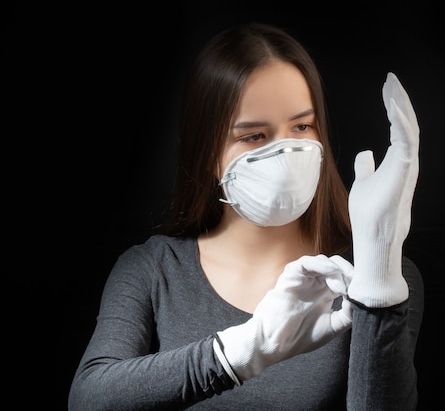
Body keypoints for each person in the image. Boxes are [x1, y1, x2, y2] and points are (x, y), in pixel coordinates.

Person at [68, 21, 424, 411]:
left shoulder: (376, 275)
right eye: (254, 135)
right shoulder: (152, 269)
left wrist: (377, 275)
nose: (286, 153)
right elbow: (89, 399)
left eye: (302, 126)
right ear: (207, 154)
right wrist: (248, 350)